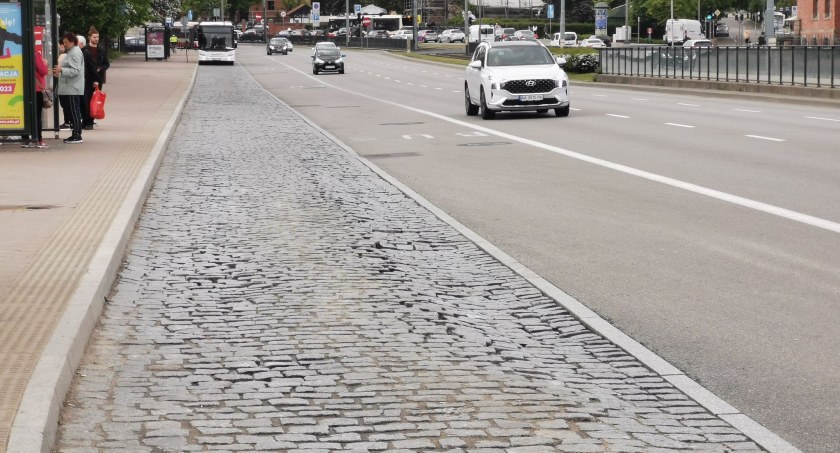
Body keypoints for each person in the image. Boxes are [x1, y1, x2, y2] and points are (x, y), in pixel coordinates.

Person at [53, 32, 84, 144]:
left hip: (72, 87)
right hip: (69, 86)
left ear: (72, 42)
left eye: (66, 42)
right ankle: (75, 134)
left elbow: (76, 71)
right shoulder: (72, 52)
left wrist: (62, 70)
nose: (64, 44)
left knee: (74, 111)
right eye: (63, 42)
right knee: (72, 111)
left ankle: (77, 135)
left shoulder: (75, 53)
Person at [82, 27, 109, 129]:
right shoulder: (85, 50)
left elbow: (107, 63)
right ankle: (86, 120)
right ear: (89, 37)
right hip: (87, 79)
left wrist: (101, 69)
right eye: (94, 37)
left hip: (98, 78)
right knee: (86, 100)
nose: (96, 39)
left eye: (97, 37)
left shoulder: (101, 49)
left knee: (94, 100)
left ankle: (90, 122)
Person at [23, 50, 50, 148]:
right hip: (36, 89)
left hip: (22, 89)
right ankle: (38, 139)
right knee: (37, 115)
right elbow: (43, 71)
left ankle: (25, 139)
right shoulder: (34, 53)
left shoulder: (20, 52)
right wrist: (45, 63)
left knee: (26, 115)